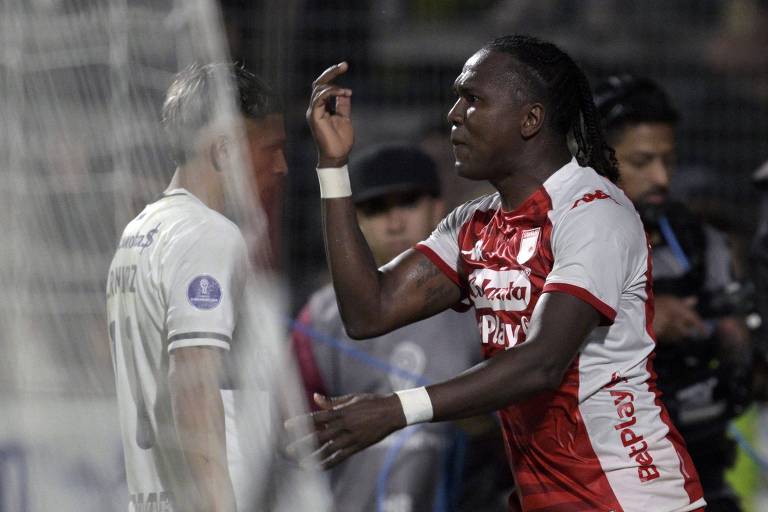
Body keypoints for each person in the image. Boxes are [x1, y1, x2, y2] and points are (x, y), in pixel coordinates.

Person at [289, 34, 706, 511]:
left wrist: (396, 410)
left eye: (472, 99)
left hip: (630, 496)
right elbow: (368, 312)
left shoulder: (594, 213)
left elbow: (542, 362)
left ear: (530, 119)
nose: (454, 115)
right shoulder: (475, 225)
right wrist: (333, 167)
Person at [106, 63, 326, 511]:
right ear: (224, 150)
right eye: (272, 149)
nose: (282, 167)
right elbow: (192, 384)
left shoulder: (139, 233)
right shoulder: (208, 236)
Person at [291, 143, 509, 512]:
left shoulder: (485, 302)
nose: (394, 222)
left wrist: (482, 425)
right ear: (353, 221)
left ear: (438, 208)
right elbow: (295, 429)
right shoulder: (321, 316)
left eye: (408, 202)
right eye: (375, 209)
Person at [594, 75, 753, 511]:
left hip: (701, 468)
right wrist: (644, 319)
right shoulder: (548, 245)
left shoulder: (700, 242)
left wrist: (735, 346)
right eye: (642, 162)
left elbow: (735, 331)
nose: (662, 177)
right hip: (600, 478)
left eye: (669, 159)